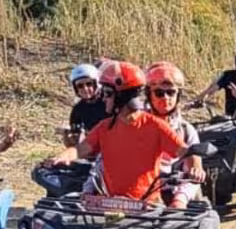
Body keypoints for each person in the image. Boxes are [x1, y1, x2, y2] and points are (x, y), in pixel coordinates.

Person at [69, 61, 187, 200]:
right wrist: (62, 158)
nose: (103, 98)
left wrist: (194, 166)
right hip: (112, 201)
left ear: (122, 97)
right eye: (159, 93)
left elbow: (186, 151)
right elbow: (83, 149)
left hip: (149, 203)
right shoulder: (105, 126)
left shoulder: (158, 126)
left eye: (107, 93)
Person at [143, 61, 205, 207]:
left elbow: (195, 167)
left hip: (175, 189)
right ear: (149, 95)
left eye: (171, 92)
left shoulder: (186, 129)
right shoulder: (137, 125)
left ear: (178, 95)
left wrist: (196, 172)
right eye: (159, 92)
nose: (165, 98)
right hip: (141, 190)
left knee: (182, 203)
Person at [61, 62, 108, 146]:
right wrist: (69, 137)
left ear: (96, 83)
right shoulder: (78, 109)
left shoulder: (109, 101)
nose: (85, 88)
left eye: (89, 84)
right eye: (80, 86)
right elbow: (75, 141)